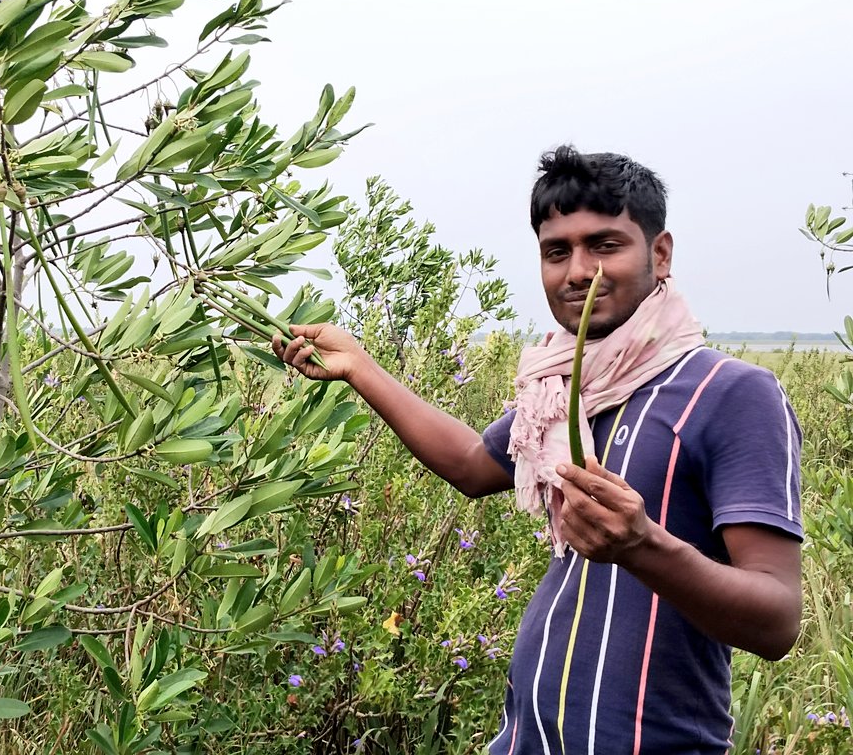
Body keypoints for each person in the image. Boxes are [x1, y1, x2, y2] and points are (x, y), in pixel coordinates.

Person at [272, 145, 802, 755]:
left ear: (660, 255)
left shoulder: (732, 394)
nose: (578, 271)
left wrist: (643, 546)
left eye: (605, 245)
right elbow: (473, 465)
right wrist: (359, 367)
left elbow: (777, 619)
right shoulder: (562, 389)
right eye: (557, 252)